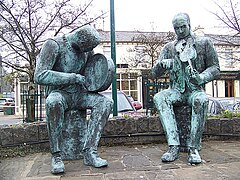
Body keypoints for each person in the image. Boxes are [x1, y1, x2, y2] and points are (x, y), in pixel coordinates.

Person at [34, 26, 113, 174]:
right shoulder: (53, 45)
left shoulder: (87, 50)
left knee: (105, 103)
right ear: (81, 40)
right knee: (53, 102)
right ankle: (56, 156)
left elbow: (91, 72)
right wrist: (72, 77)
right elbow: (39, 75)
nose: (88, 51)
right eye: (88, 48)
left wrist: (100, 79)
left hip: (80, 95)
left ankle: (90, 151)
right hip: (60, 93)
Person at [152, 13, 220, 164]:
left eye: (183, 26)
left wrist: (202, 77)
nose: (180, 30)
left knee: (201, 100)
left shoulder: (204, 43)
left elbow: (215, 68)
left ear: (189, 24)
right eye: (177, 28)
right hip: (176, 91)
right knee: (159, 97)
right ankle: (173, 146)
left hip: (195, 91)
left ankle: (194, 148)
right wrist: (161, 64)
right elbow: (154, 73)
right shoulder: (168, 47)